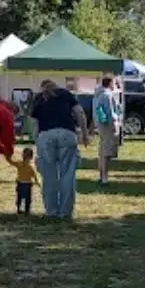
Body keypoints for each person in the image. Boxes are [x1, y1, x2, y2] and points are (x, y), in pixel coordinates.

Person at [31, 79, 89, 219]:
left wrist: (36, 141)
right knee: (68, 174)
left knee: (49, 175)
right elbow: (80, 113)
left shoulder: (38, 98)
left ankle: (51, 211)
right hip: (66, 134)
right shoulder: (65, 94)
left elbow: (34, 123)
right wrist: (84, 134)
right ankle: (65, 212)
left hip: (46, 136)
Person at [93, 75, 123, 185]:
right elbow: (110, 111)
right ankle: (105, 177)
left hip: (101, 124)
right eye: (114, 83)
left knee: (102, 151)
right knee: (106, 152)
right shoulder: (107, 95)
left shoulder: (97, 94)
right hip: (108, 125)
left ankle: (101, 175)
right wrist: (114, 124)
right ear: (110, 83)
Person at [7, 146, 41, 214]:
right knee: (25, 198)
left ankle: (23, 210)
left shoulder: (22, 165)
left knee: (22, 198)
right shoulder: (27, 166)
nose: (25, 157)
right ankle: (25, 210)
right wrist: (37, 182)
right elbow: (34, 175)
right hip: (25, 184)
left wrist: (7, 157)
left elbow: (11, 162)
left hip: (23, 184)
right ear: (31, 157)